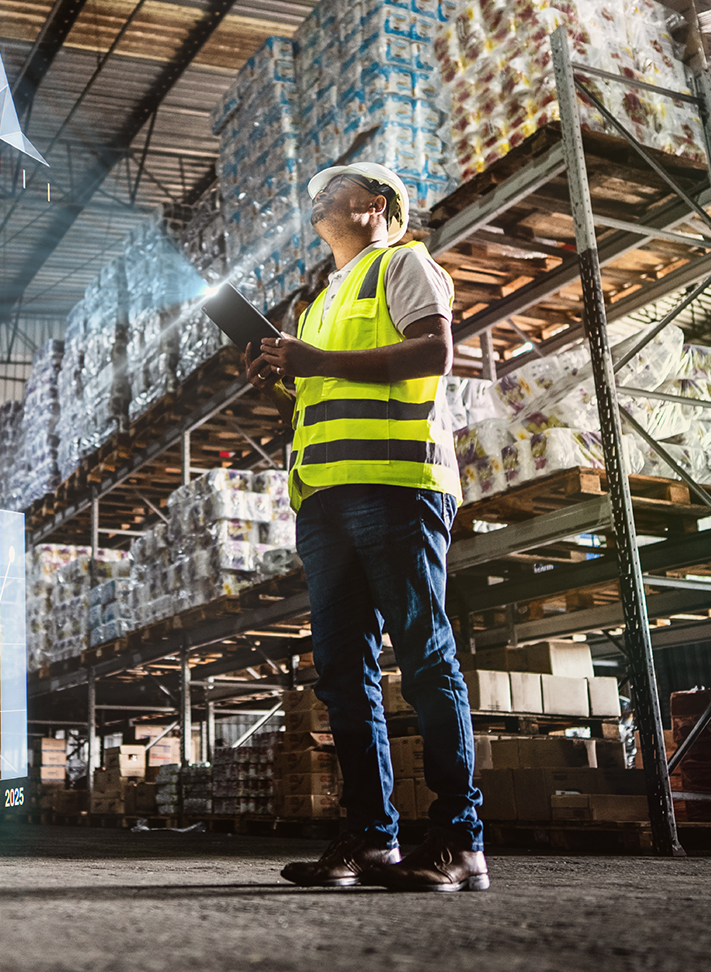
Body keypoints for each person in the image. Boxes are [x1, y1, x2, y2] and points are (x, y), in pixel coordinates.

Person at [246, 162, 486, 893]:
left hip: (396, 486)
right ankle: (370, 840)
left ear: (374, 208)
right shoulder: (317, 304)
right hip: (323, 499)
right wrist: (284, 376)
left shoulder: (404, 264)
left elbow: (433, 353)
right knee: (342, 676)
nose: (316, 197)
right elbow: (321, 392)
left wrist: (316, 361)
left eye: (334, 190)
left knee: (423, 656)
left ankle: (458, 840)